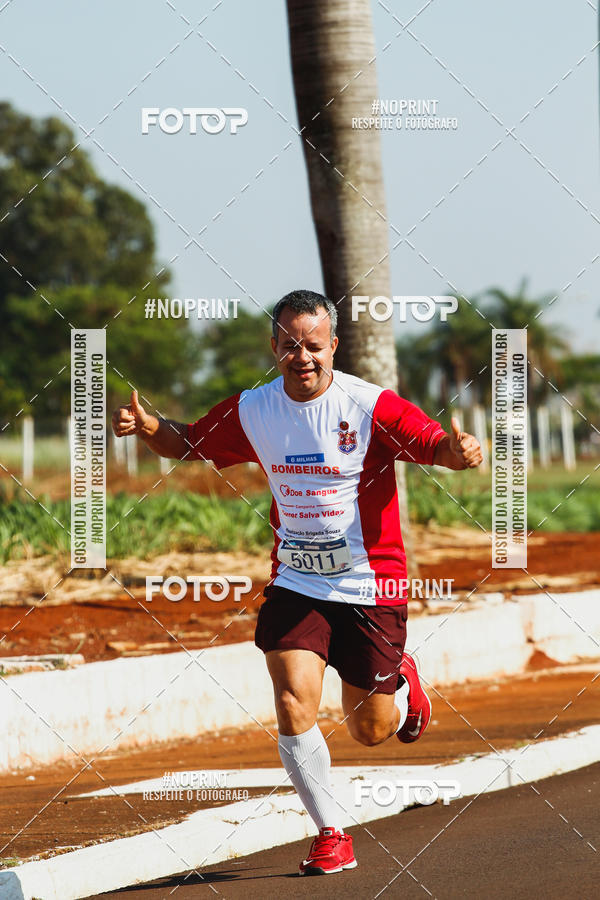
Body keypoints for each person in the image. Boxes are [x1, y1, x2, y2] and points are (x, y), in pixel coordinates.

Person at [112, 289, 482, 876]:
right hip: (296, 580)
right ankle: (331, 833)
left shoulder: (368, 405)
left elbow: (433, 442)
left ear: (333, 346)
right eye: (290, 345)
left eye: (314, 345)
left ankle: (404, 687)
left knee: (370, 729)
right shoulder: (255, 410)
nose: (302, 357)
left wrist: (460, 451)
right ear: (274, 347)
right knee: (290, 700)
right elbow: (189, 443)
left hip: (370, 584)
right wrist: (149, 425)